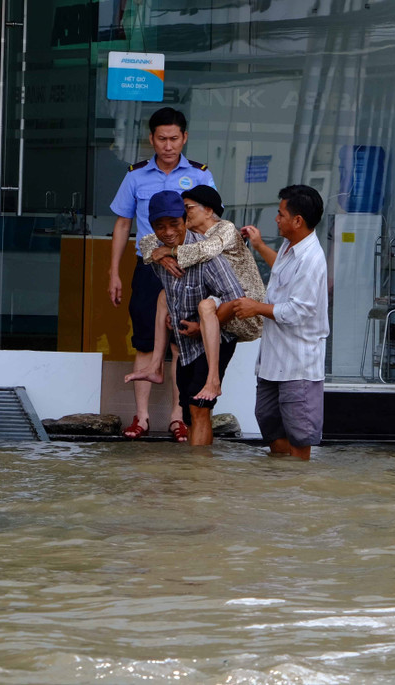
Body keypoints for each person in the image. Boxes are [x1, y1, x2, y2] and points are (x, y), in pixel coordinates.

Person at [109, 107, 216, 442]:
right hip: (148, 268)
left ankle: (176, 416)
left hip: (188, 269)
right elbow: (123, 224)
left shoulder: (200, 175)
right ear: (151, 139)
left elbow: (210, 224)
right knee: (143, 339)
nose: (168, 145)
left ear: (184, 137)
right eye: (161, 139)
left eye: (174, 138)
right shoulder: (136, 176)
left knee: (180, 342)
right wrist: (113, 272)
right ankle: (140, 417)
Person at [131, 184, 266, 402]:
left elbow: (206, 250)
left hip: (244, 307)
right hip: (220, 302)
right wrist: (159, 255)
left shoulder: (225, 229)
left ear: (209, 210)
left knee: (205, 306)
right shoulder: (188, 234)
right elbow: (147, 241)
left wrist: (168, 250)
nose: (183, 214)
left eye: (188, 208)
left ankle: (213, 380)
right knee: (164, 296)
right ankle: (155, 365)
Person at [234, 185, 328, 460]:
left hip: (298, 365)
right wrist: (259, 245)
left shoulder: (312, 259)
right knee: (270, 426)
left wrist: (256, 308)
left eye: (280, 214)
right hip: (273, 361)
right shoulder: (291, 246)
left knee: (300, 434)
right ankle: (279, 488)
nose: (276, 218)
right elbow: (283, 271)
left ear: (297, 221)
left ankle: (296, 492)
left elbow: (298, 312)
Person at [145, 190, 245, 446]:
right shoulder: (158, 253)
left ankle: (200, 479)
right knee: (190, 412)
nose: (167, 232)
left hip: (217, 338)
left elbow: (235, 300)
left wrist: (202, 326)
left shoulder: (208, 255)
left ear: (185, 220)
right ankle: (193, 474)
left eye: (174, 224)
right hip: (185, 345)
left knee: (200, 408)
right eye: (160, 226)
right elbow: (145, 246)